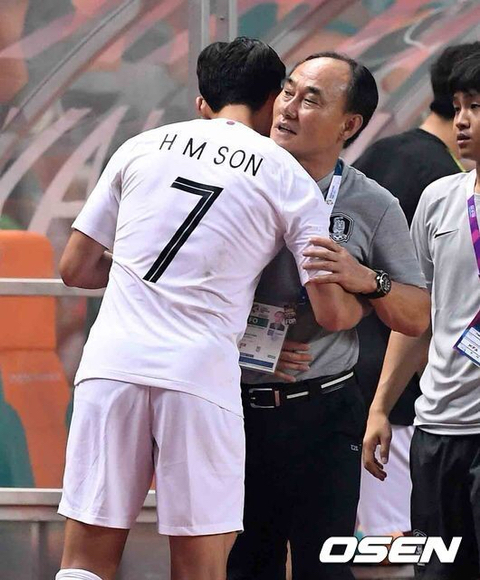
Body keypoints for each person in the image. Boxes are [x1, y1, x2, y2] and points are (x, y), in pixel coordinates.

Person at [54, 37, 366, 580]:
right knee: (200, 565)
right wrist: (365, 296)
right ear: (274, 100)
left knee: (85, 559)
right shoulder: (288, 176)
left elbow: (75, 268)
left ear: (202, 100)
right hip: (199, 376)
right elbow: (333, 313)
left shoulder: (140, 146)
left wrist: (141, 271)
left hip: (110, 367)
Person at [227, 52, 430, 580]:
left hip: (322, 412)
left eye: (311, 99)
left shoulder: (372, 203)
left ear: (350, 125)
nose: (288, 108)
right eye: (288, 92)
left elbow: (416, 315)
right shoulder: (232, 181)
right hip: (230, 407)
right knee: (247, 564)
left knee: (325, 566)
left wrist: (370, 280)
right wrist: (252, 341)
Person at [354, 42, 479, 539]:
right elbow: (418, 314)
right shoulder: (440, 197)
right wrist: (381, 406)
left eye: (477, 106)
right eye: (459, 107)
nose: (463, 120)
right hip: (436, 426)